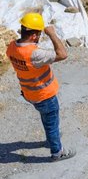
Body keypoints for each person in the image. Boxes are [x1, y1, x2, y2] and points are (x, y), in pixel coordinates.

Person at [6, 12, 76, 161]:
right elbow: (62, 54)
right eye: (38, 35)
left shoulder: (11, 47)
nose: (39, 38)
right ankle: (57, 152)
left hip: (29, 94)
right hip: (44, 95)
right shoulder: (34, 54)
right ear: (33, 36)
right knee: (51, 122)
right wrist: (52, 34)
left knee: (48, 120)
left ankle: (52, 138)